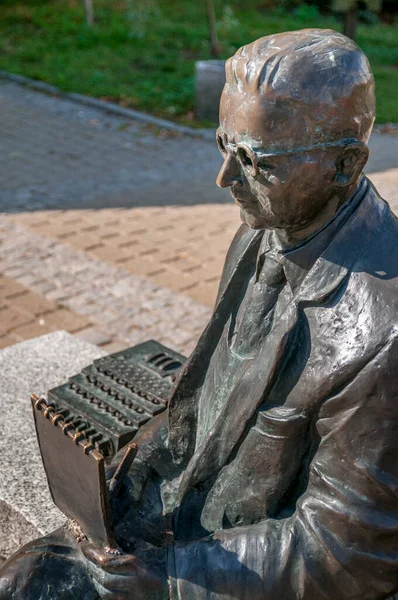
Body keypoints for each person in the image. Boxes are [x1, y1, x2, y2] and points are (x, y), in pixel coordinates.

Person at [1, 28, 398, 600]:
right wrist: (132, 472)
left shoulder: (381, 333)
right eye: (222, 146)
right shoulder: (265, 230)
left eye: (255, 162)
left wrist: (167, 582)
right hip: (180, 515)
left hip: (235, 567)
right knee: (20, 582)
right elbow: (206, 399)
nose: (226, 180)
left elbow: (348, 551)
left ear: (343, 165)